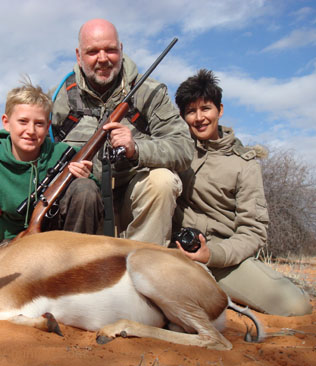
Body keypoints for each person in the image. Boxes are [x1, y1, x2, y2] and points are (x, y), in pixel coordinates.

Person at [173, 69, 312, 316]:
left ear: (220, 110)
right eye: (190, 111)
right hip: (173, 249)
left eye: (205, 108)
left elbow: (253, 231)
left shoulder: (245, 163)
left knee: (296, 306)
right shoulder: (174, 150)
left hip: (219, 258)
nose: (198, 118)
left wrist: (212, 254)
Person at [51, 19, 194, 246]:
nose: (103, 58)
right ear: (78, 56)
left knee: (162, 181)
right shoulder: (58, 98)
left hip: (134, 211)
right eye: (92, 52)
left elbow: (185, 148)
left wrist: (136, 149)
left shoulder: (151, 93)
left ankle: (142, 266)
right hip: (83, 209)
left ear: (121, 49)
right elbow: (28, 146)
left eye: (110, 49)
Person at [0, 81, 102, 250]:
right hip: (13, 246)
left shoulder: (66, 153)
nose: (31, 130)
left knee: (85, 187)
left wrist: (86, 177)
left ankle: (76, 265)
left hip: (62, 246)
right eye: (23, 121)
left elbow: (96, 194)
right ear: (6, 122)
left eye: (39, 123)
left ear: (48, 126)